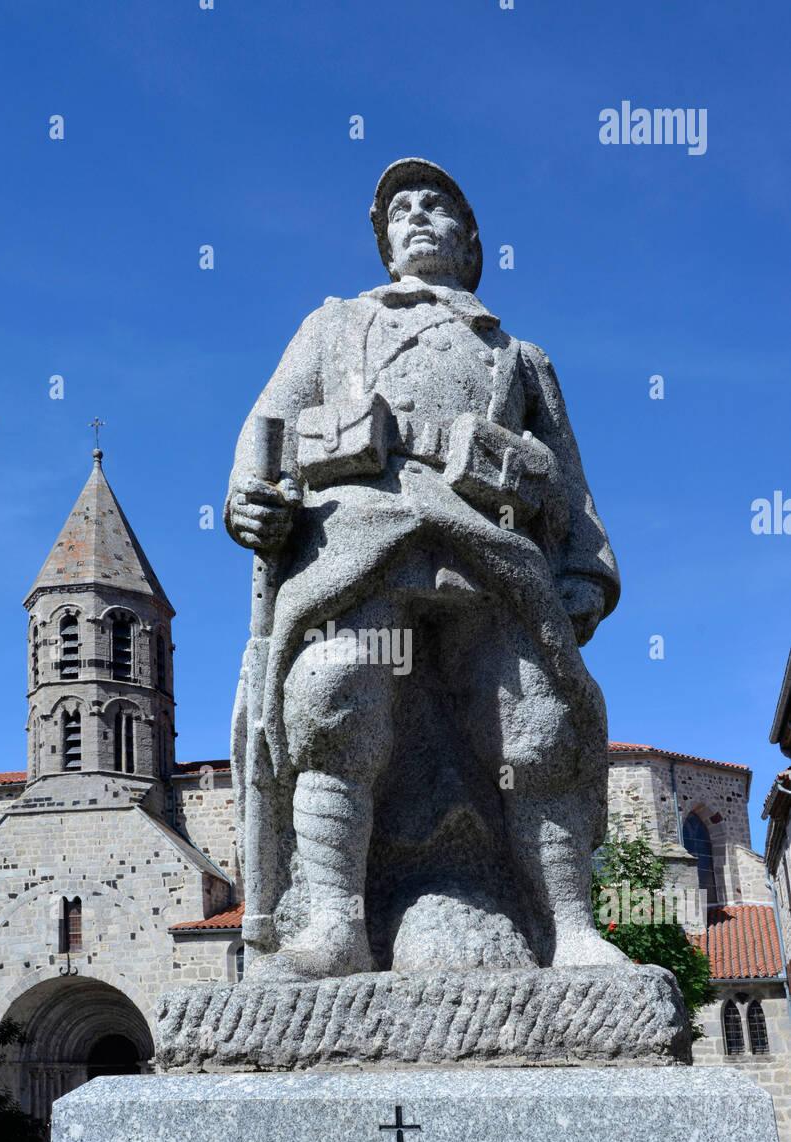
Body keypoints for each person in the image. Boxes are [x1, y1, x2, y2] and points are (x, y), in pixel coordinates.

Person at [225, 158, 627, 981]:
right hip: (361, 545)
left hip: (490, 551)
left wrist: (584, 569)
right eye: (398, 209)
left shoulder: (519, 356)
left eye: (435, 205)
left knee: (536, 725)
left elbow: (571, 483)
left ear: (470, 241)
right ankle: (336, 926)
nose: (415, 217)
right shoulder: (335, 326)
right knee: (331, 701)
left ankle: (571, 931)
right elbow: (267, 422)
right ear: (382, 243)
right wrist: (246, 498)